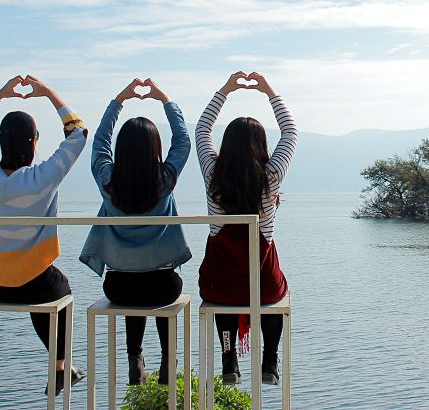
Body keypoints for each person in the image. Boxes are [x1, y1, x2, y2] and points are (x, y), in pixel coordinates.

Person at [0, 74, 88, 396]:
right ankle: (60, 367)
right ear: (33, 142)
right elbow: (79, 134)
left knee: (42, 284)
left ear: (1, 141)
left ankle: (63, 369)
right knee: (59, 289)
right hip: (33, 286)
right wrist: (49, 95)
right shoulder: (42, 178)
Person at [80, 78, 192, 385]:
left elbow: (100, 141)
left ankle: (135, 359)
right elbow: (183, 141)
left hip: (118, 287)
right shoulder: (165, 178)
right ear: (155, 147)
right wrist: (164, 99)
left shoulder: (107, 180)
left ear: (122, 149)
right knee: (157, 283)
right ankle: (169, 362)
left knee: (132, 286)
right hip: (163, 286)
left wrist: (119, 100)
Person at [195, 70, 297, 386]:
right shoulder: (272, 178)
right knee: (277, 292)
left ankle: (229, 360)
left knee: (224, 294)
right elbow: (290, 132)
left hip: (219, 283)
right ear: (260, 145)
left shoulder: (213, 175)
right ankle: (269, 359)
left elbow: (201, 129)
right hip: (262, 284)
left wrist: (225, 89)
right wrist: (269, 91)